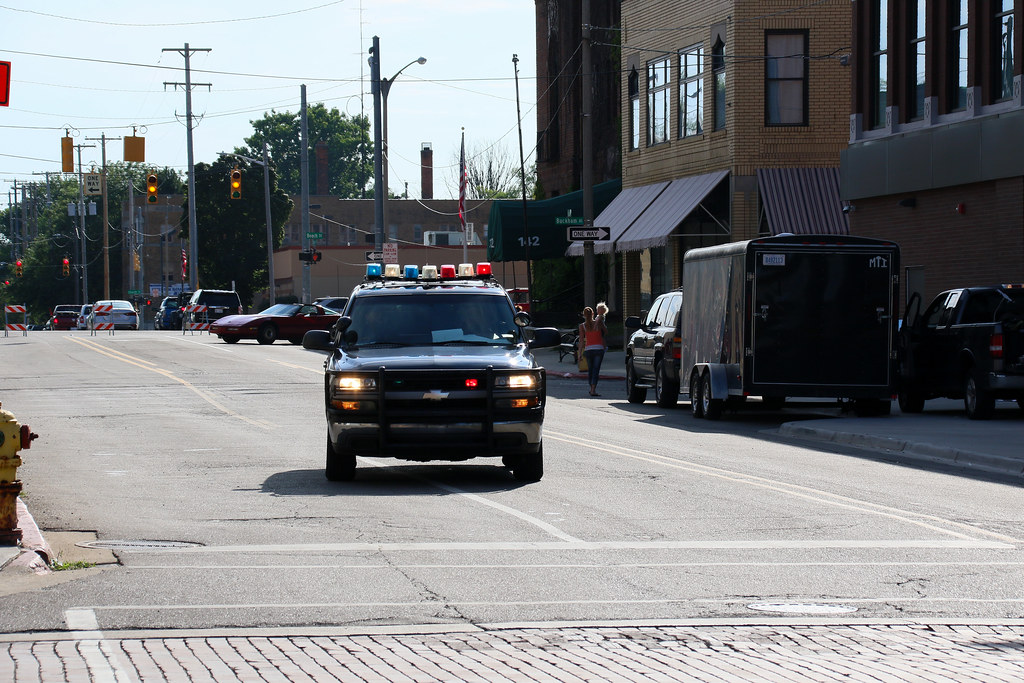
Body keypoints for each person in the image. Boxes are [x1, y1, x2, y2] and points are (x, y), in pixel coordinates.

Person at [578, 303, 609, 396]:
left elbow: (581, 341)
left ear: (584, 315)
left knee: (591, 370)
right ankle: (593, 389)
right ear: (592, 314)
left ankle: (591, 387)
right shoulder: (598, 323)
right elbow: (606, 331)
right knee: (596, 369)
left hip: (588, 350)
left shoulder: (582, 326)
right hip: (599, 349)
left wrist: (579, 354)